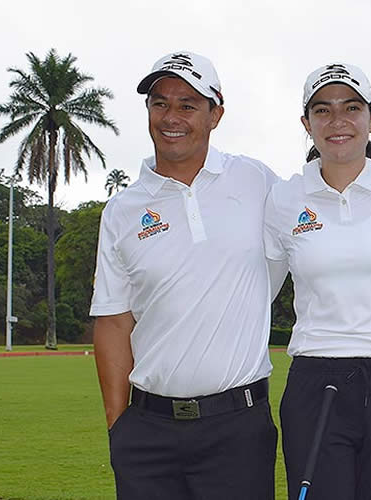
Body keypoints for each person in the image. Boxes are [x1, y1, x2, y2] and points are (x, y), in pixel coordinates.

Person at [90, 51, 280, 499]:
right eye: (160, 103)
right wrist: (121, 428)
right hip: (148, 433)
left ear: (216, 114)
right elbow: (114, 321)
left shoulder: (257, 182)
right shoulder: (122, 210)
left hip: (238, 428)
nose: (171, 117)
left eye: (188, 105)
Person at [265, 62, 371, 500]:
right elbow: (256, 291)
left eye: (351, 108)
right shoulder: (284, 198)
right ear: (307, 124)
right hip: (316, 378)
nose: (337, 121)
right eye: (322, 110)